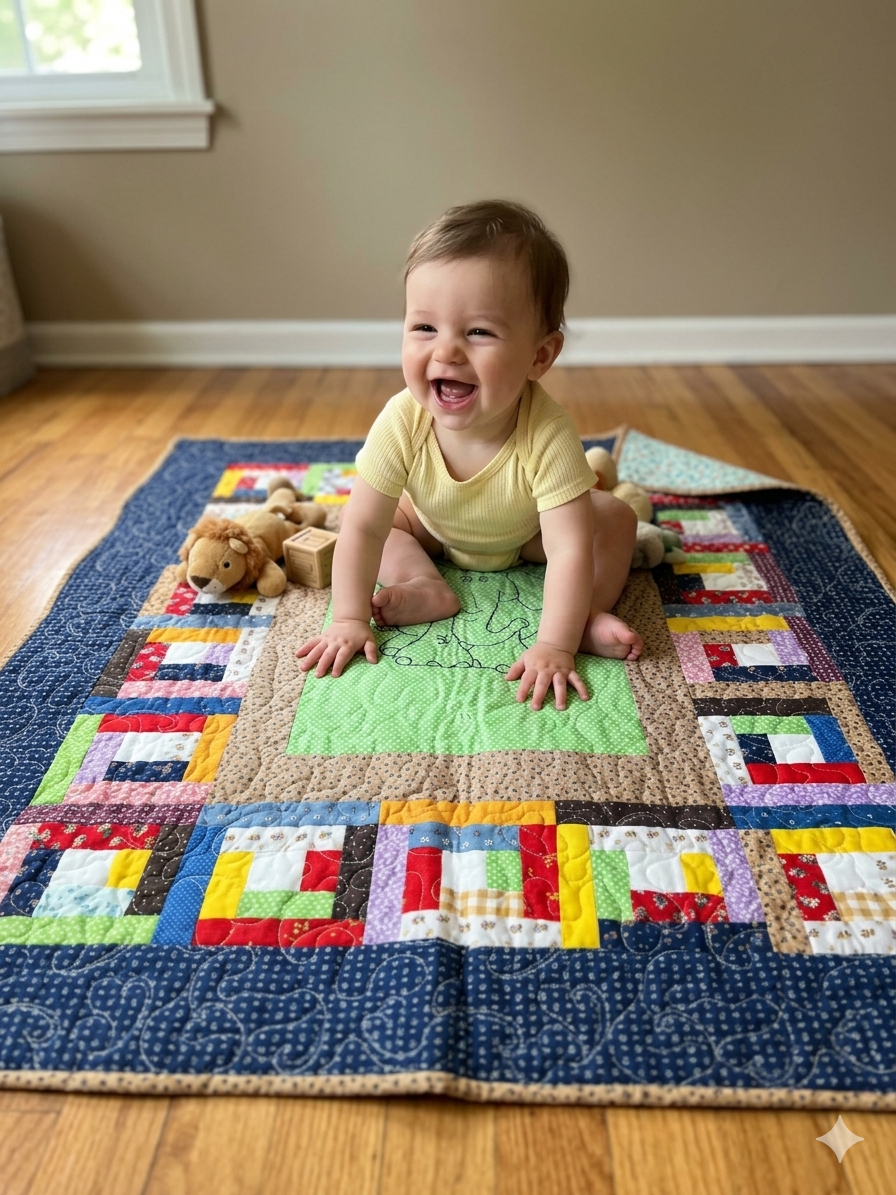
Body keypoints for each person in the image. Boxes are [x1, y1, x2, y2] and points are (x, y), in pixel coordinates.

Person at [296, 200, 642, 711]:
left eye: (478, 332)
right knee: (370, 519)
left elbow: (566, 550)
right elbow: (364, 530)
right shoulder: (402, 419)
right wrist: (348, 617)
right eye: (424, 328)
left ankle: (584, 617)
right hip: (432, 525)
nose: (447, 352)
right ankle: (424, 585)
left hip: (528, 534)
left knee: (613, 518)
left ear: (539, 356)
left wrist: (554, 644)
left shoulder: (548, 433)